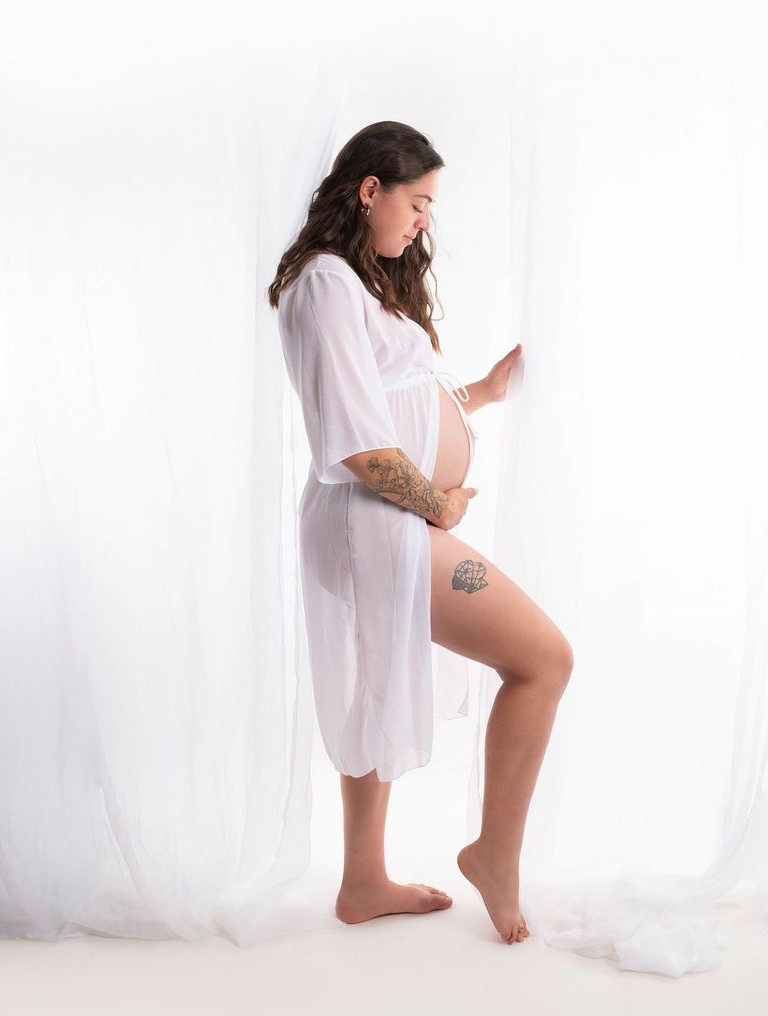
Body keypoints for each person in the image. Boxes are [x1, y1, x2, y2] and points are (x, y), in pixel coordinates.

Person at [266, 121, 571, 944]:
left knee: (373, 689)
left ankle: (363, 882)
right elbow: (359, 445)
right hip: (379, 523)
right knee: (544, 659)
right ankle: (494, 856)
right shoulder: (327, 283)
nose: (425, 220)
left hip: (378, 525)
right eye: (419, 200)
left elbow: (395, 404)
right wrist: (437, 504)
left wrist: (481, 393)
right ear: (371, 189)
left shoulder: (351, 285)